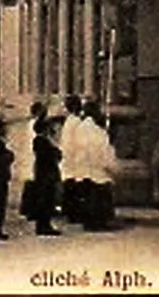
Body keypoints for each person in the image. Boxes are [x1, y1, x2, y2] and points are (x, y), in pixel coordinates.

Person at [82, 100, 118, 231]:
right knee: (99, 197)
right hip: (98, 169)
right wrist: (110, 165)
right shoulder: (98, 132)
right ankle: (99, 222)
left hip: (85, 168)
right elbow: (104, 151)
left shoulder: (82, 127)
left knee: (90, 197)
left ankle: (89, 221)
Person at [30, 113, 63, 236]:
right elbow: (54, 155)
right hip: (46, 174)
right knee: (46, 200)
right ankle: (44, 225)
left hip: (43, 173)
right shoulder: (41, 141)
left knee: (46, 200)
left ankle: (44, 224)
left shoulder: (41, 141)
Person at [60, 95, 89, 228]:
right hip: (75, 158)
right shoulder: (77, 122)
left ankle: (70, 212)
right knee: (75, 187)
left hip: (68, 157)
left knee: (69, 186)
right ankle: (74, 213)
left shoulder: (68, 121)